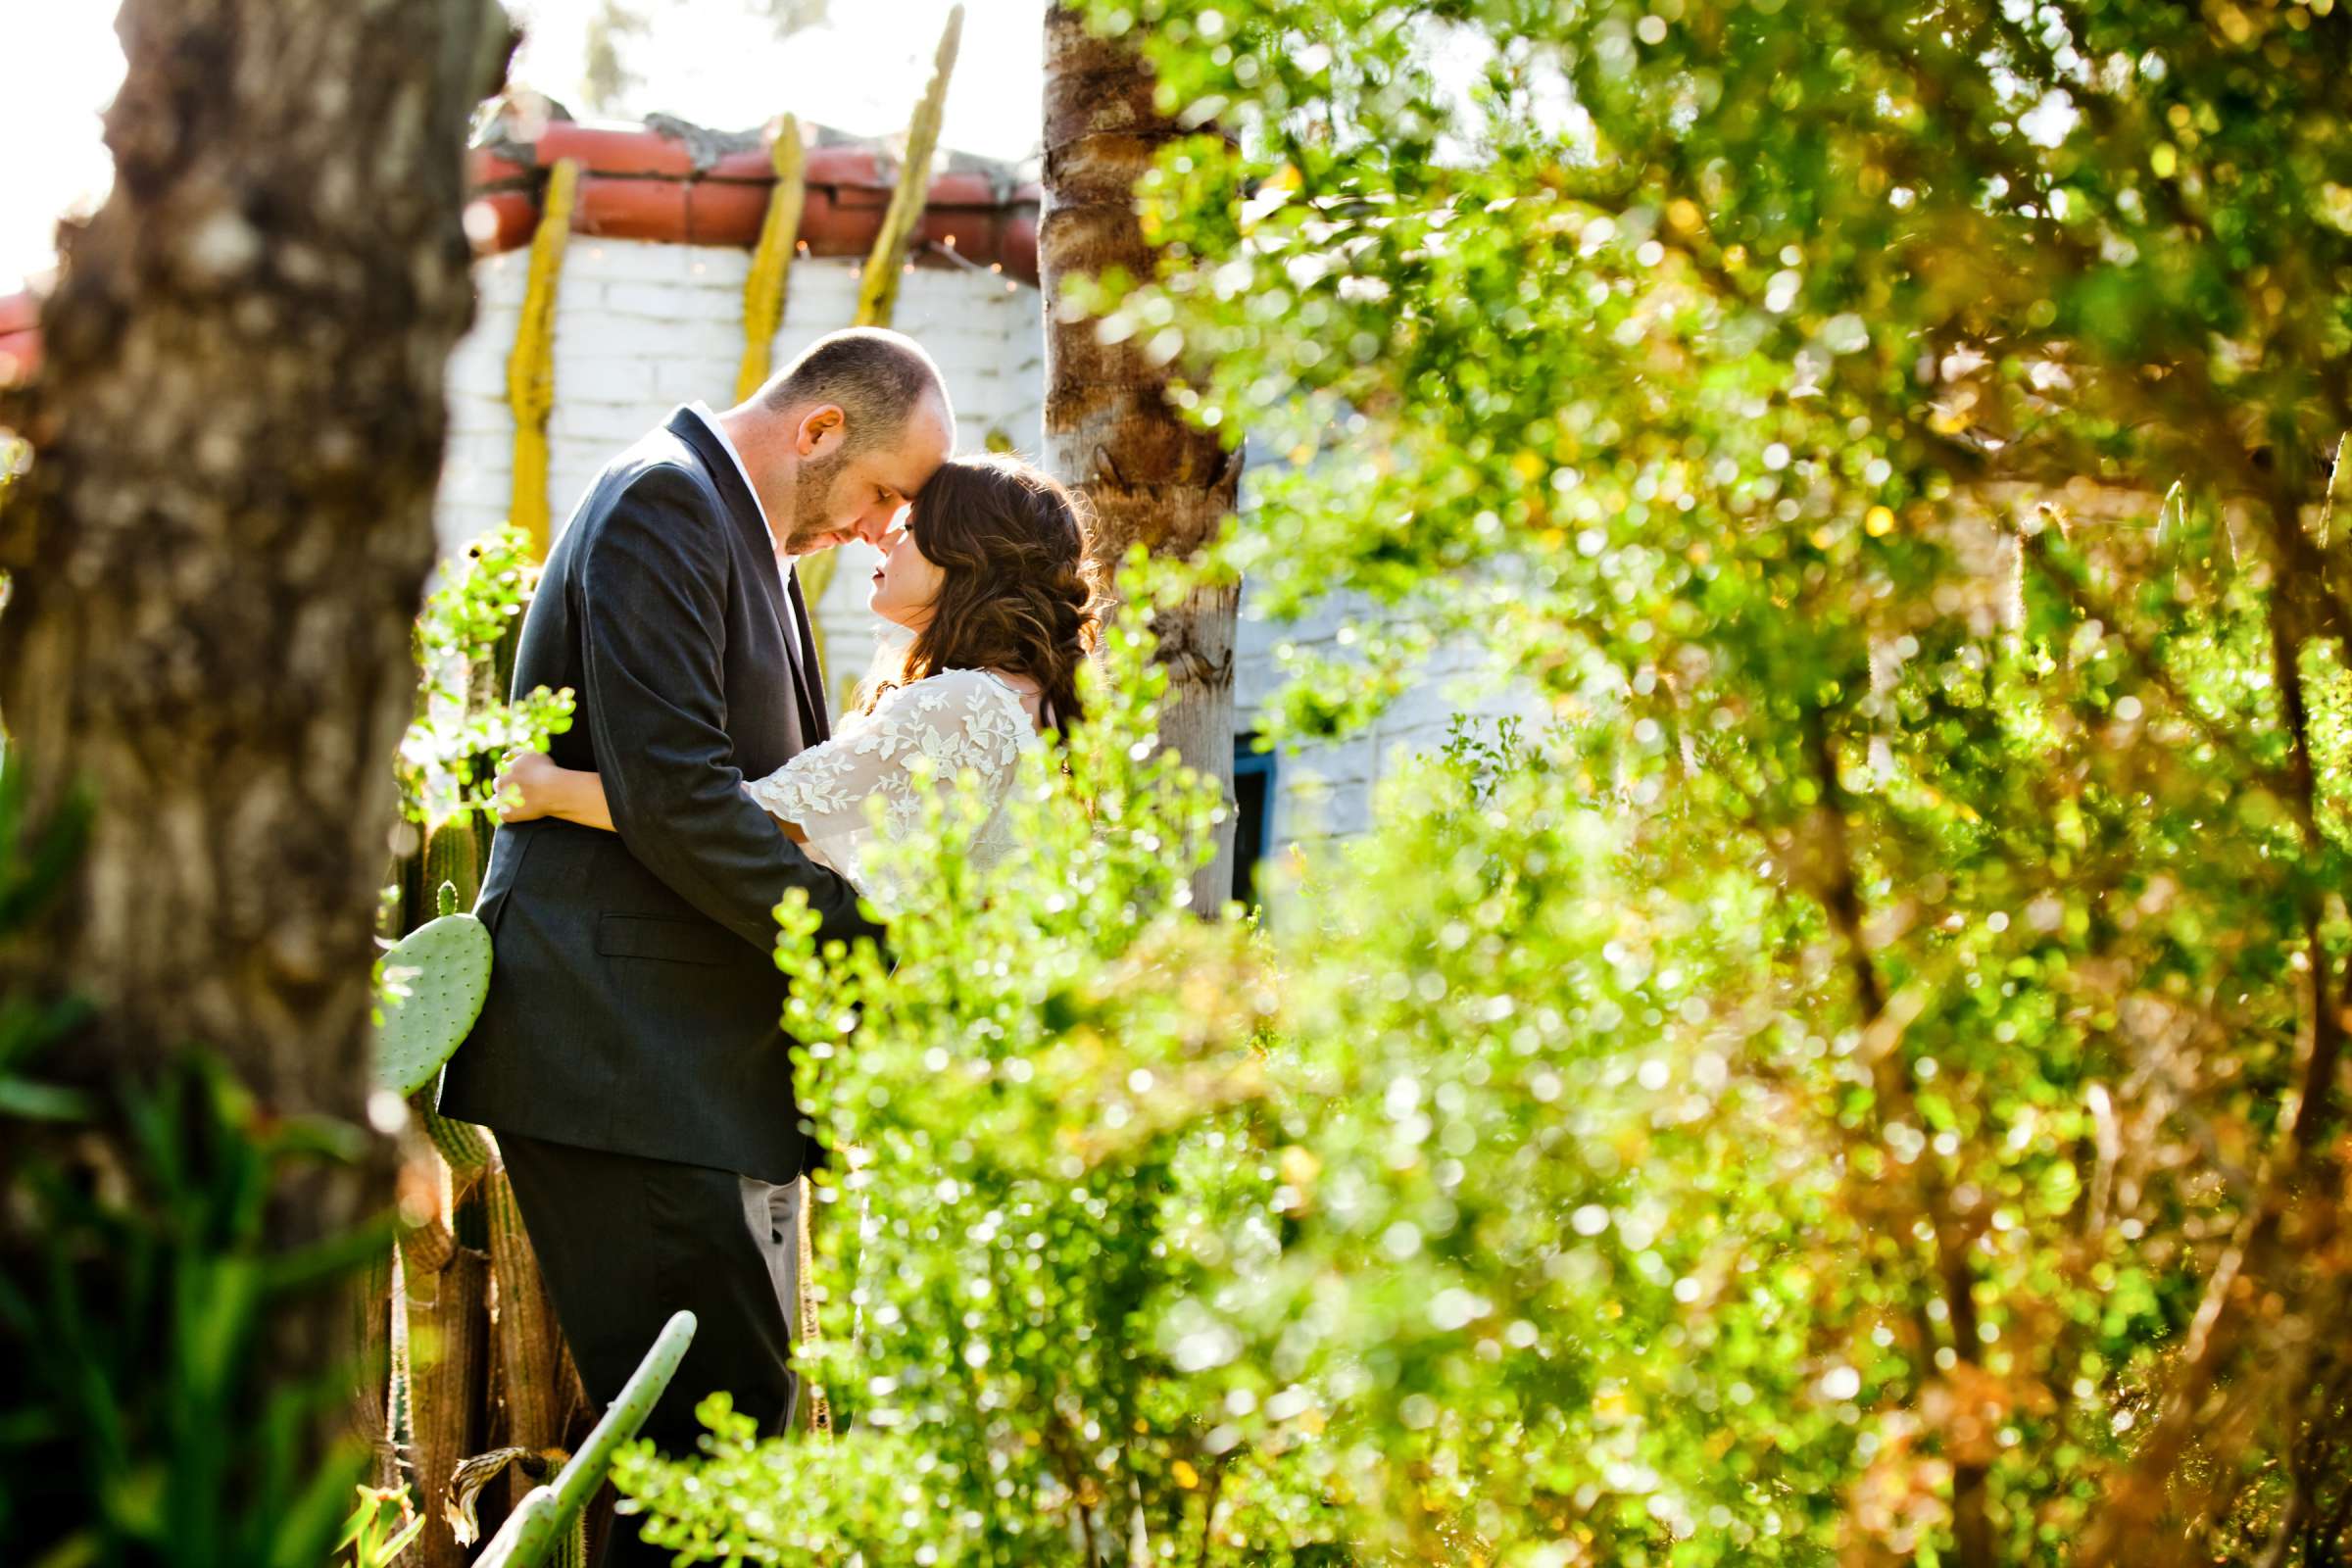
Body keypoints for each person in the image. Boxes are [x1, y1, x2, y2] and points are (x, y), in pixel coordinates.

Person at [437, 326, 952, 1568]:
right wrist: (860, 946)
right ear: (820, 428)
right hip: (624, 1060)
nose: (879, 526)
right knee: (705, 1475)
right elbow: (677, 795)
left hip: (680, 1075)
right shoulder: (664, 504)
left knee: (713, 1466)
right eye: (884, 490)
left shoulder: (754, 547)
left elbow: (758, 799)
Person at [497, 453, 1104, 909]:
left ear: (970, 557)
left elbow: (746, 817)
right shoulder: (1035, 702)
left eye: (915, 526)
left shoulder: (964, 703)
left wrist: (550, 789)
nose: (886, 534)